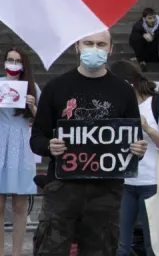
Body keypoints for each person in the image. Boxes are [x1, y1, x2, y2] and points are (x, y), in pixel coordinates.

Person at [30, 30, 148, 255]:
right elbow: (37, 138)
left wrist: (138, 149)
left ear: (111, 49)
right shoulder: (56, 87)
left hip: (106, 191)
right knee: (50, 249)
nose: (95, 48)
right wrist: (49, 146)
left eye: (101, 44)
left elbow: (135, 141)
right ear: (77, 47)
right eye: (89, 43)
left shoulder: (123, 91)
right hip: (62, 189)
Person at [110, 60, 159, 256]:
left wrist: (147, 129)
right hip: (124, 182)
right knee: (119, 246)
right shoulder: (117, 106)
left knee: (155, 247)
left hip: (154, 182)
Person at [0, 48, 39, 256]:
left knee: (20, 203)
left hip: (22, 144)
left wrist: (33, 106)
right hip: (0, 142)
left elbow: (43, 121)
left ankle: (16, 252)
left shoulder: (32, 88)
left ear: (23, 65)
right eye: (9, 60)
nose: (13, 64)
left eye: (17, 61)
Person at [128, 8, 159, 74]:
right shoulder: (138, 25)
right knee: (136, 38)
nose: (153, 20)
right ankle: (141, 62)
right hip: (145, 54)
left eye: (154, 17)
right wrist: (143, 36)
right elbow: (132, 39)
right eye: (149, 18)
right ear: (144, 19)